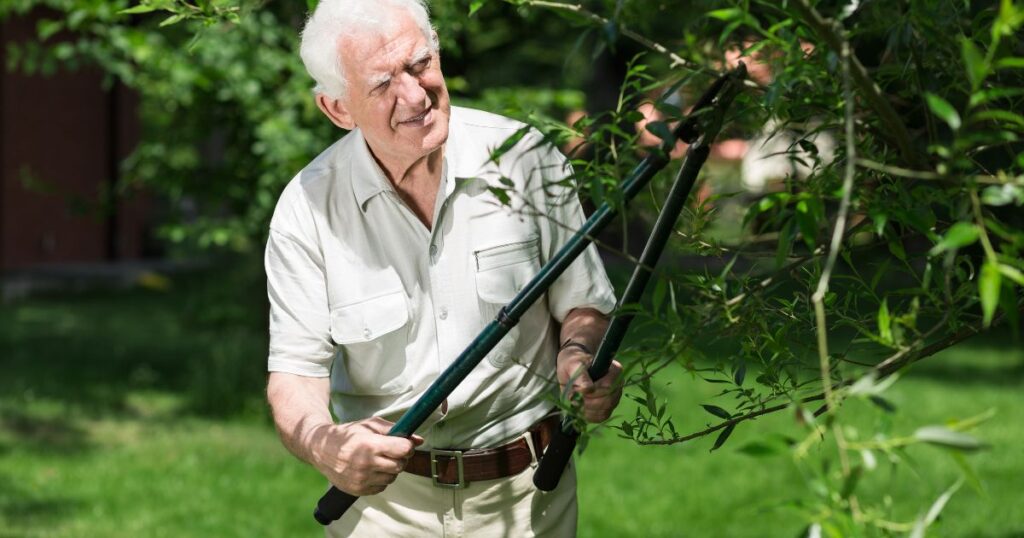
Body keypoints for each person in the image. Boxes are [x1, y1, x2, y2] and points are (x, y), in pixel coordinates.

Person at [263, 0, 623, 535]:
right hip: (385, 510)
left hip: (528, 497)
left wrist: (579, 356)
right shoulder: (307, 208)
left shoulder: (525, 159)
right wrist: (325, 444)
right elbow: (295, 374)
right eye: (383, 83)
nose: (414, 95)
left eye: (420, 64)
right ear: (338, 109)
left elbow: (583, 303)